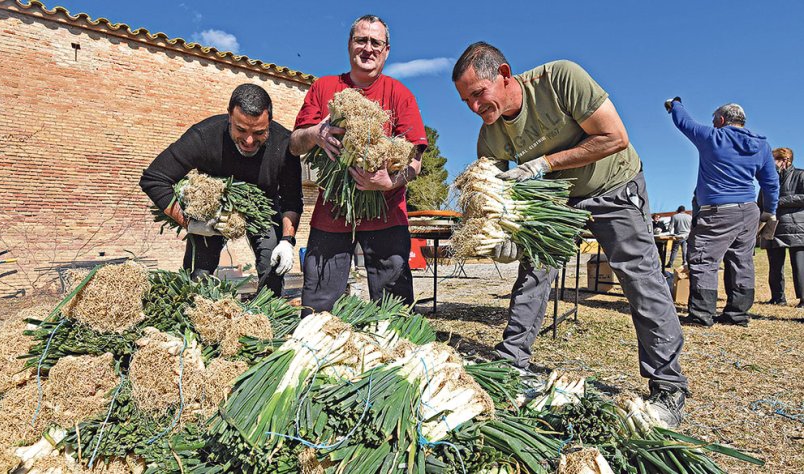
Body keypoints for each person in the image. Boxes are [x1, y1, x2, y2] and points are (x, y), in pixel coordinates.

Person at [452, 42, 687, 427]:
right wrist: (504, 235)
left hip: (613, 185)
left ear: (505, 74)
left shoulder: (560, 79)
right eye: (466, 101)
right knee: (533, 275)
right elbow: (496, 194)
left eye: (479, 94)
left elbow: (614, 137)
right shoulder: (490, 135)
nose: (476, 107)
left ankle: (668, 386)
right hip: (559, 204)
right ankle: (511, 364)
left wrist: (542, 165)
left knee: (640, 279)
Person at [289, 15, 427, 316]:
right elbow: (294, 143)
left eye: (375, 42)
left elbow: (416, 160)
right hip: (332, 215)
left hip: (388, 216)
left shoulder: (399, 95)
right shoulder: (324, 88)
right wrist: (315, 133)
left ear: (386, 50)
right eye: (360, 40)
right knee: (317, 306)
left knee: (396, 309)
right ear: (349, 45)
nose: (368, 48)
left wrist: (388, 182)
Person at [140, 84, 302, 295]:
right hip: (212, 211)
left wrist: (287, 241)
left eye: (259, 132)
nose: (249, 141)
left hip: (264, 210)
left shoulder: (283, 144)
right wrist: (192, 223)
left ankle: (268, 319)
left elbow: (292, 200)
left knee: (272, 268)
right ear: (229, 117)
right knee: (197, 276)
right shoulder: (205, 137)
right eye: (241, 130)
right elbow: (154, 178)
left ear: (269, 122)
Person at [666, 98, 779, 327]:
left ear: (720, 120)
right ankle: (737, 315)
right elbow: (771, 182)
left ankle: (701, 315)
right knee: (742, 260)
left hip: (718, 211)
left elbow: (683, 121)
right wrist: (771, 211)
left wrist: (675, 103)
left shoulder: (713, 137)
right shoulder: (762, 146)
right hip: (749, 211)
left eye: (714, 121)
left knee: (703, 259)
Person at [760, 147, 804, 307]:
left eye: (775, 161)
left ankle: (803, 299)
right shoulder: (769, 179)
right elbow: (761, 202)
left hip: (796, 226)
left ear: (785, 160)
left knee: (799, 265)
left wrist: (780, 201)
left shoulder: (801, 175)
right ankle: (778, 297)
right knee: (775, 265)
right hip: (773, 225)